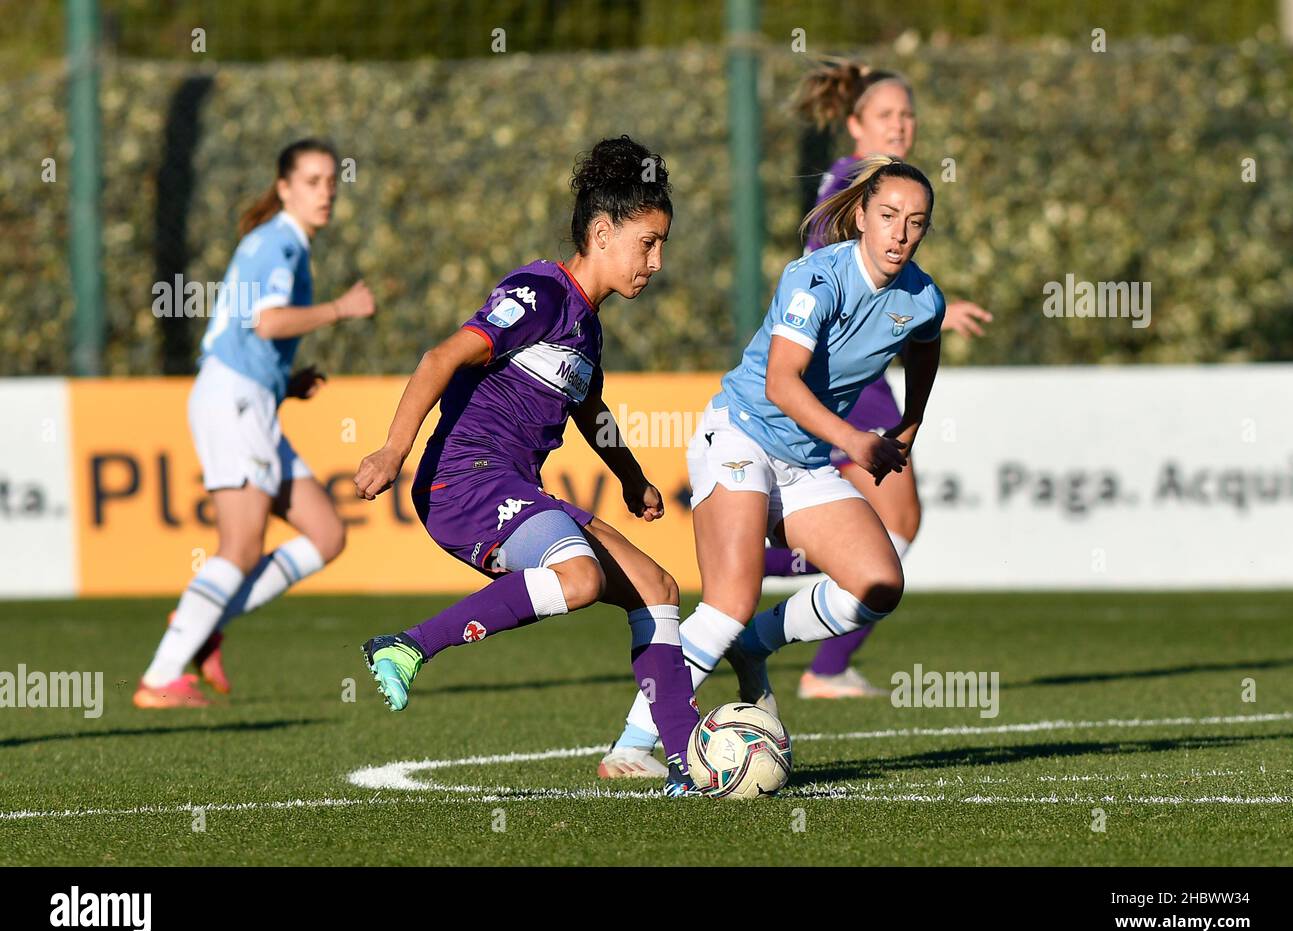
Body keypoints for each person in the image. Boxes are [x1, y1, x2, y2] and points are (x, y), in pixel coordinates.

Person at [352, 135, 702, 797]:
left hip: (511, 486)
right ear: (602, 232)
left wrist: (629, 475)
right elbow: (440, 358)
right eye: (648, 243)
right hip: (466, 481)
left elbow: (589, 411)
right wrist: (392, 452)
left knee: (657, 587)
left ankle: (688, 764)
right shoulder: (539, 291)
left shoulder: (587, 327)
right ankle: (408, 645)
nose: (657, 262)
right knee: (578, 578)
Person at [600, 155, 943, 778]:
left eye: (914, 223)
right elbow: (783, 386)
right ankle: (631, 745)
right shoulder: (815, 278)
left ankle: (756, 644)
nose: (899, 232)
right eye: (888, 215)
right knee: (729, 599)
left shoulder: (922, 297)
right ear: (861, 215)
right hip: (739, 437)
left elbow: (926, 343)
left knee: (879, 585)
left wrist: (911, 421)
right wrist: (859, 443)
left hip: (805, 461)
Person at [770, 60, 994, 700]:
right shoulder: (853, 181)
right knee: (895, 525)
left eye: (907, 114)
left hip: (863, 377)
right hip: (848, 381)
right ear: (854, 124)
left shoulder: (877, 188)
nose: (901, 124)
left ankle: (753, 580)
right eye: (886, 115)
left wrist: (938, 311)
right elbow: (825, 272)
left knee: (886, 524)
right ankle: (818, 659)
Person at [134, 138, 374, 708]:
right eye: (312, 182)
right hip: (234, 400)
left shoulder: (280, 244)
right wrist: (340, 308)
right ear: (284, 186)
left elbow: (246, 328)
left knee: (326, 533)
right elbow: (265, 322)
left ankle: (206, 619)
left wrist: (282, 384)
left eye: (331, 183)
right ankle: (160, 676)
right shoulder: (277, 244)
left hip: (250, 398)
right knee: (240, 547)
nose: (325, 193)